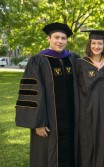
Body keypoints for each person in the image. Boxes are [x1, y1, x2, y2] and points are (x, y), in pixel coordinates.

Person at [15, 22, 79, 167]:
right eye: (56, 37)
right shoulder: (38, 61)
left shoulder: (73, 59)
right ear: (49, 38)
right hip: (49, 123)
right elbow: (33, 93)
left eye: (63, 38)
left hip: (70, 122)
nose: (60, 41)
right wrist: (39, 123)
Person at [75, 30, 104, 167]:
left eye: (100, 43)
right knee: (87, 144)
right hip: (86, 113)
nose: (97, 46)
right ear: (89, 44)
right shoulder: (80, 63)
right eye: (94, 43)